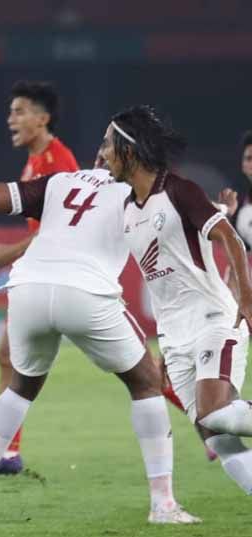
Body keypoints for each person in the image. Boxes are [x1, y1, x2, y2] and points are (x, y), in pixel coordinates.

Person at [0, 162, 198, 524]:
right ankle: (163, 505)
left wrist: (28, 195)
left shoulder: (60, 181)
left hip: (28, 289)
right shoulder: (138, 189)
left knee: (20, 389)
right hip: (85, 292)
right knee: (146, 382)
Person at [102, 105, 252, 496]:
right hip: (174, 336)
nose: (102, 154)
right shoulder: (126, 210)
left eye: (107, 145)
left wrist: (247, 299)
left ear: (129, 151)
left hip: (212, 319)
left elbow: (229, 238)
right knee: (217, 434)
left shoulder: (178, 190)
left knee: (215, 411)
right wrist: (166, 345)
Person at [0, 81, 80, 476]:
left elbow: (60, 228)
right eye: (10, 112)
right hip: (41, 272)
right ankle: (6, 453)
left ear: (42, 118)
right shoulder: (37, 159)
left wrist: (9, 253)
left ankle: (208, 416)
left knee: (134, 371)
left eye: (19, 112)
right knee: (9, 357)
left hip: (58, 277)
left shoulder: (59, 163)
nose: (10, 119)